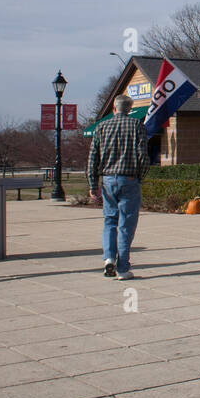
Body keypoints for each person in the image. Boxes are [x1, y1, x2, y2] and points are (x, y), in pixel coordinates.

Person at [87, 94, 150, 280]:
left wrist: (93, 183)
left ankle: (108, 258)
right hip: (129, 179)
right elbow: (143, 156)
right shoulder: (137, 126)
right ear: (129, 110)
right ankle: (123, 267)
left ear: (114, 108)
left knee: (110, 221)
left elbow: (93, 157)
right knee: (126, 224)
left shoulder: (101, 126)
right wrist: (140, 176)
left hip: (108, 179)